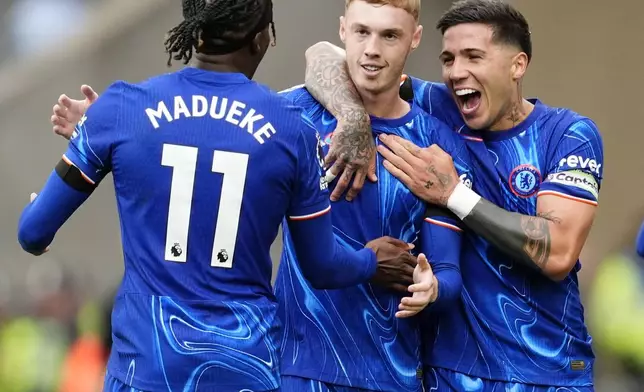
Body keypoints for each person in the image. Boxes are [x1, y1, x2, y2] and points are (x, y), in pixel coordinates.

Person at [47, 1, 470, 391]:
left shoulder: (433, 143)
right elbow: (200, 139)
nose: (372, 49)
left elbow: (449, 271)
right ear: (343, 30)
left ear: (415, 38)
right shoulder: (290, 117)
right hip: (294, 366)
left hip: (391, 372)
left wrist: (433, 287)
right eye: (361, 32)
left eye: (389, 36)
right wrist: (118, 128)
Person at [303, 0, 603, 391]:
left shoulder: (567, 134)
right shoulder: (439, 108)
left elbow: (559, 251)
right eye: (448, 58)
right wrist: (354, 117)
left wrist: (453, 195)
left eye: (473, 56)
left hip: (545, 369)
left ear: (518, 65)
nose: (457, 72)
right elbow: (322, 57)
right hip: (451, 371)